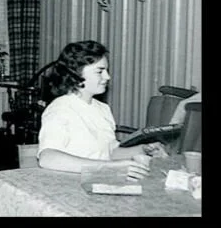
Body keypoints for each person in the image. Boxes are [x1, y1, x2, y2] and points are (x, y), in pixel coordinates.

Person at [37, 40, 168, 180]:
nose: (107, 77)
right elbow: (47, 158)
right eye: (100, 71)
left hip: (100, 179)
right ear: (76, 73)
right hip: (71, 182)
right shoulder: (60, 109)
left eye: (106, 71)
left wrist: (143, 149)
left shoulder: (103, 109)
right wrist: (110, 168)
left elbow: (109, 152)